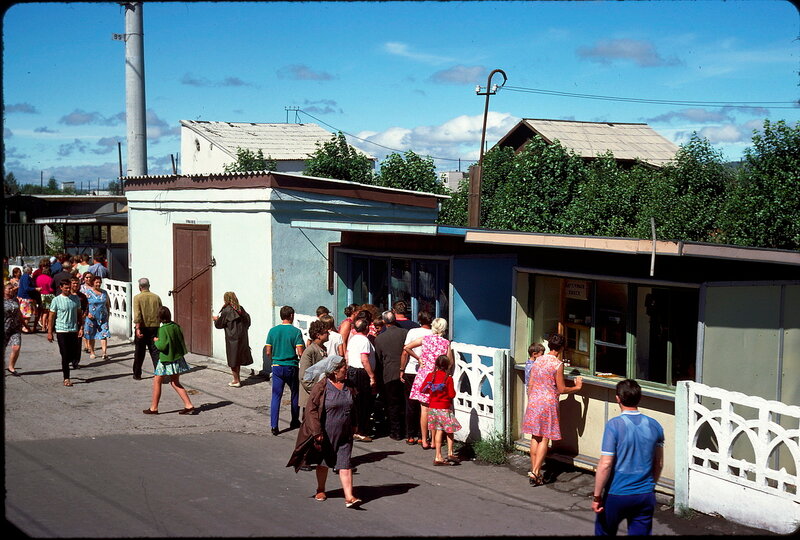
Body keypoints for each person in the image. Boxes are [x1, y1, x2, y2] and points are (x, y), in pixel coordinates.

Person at [592, 379, 664, 536]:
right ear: (639, 398)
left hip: (616, 494)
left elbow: (605, 464)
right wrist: (650, 485)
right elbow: (658, 463)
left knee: (604, 531)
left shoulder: (614, 425)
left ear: (618, 398)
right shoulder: (655, 425)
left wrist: (597, 496)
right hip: (645, 495)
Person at [287, 356, 362, 508]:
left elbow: (353, 406)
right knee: (324, 463)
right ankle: (320, 489)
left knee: (345, 463)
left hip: (345, 433)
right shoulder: (322, 387)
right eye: (343, 369)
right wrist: (316, 432)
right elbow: (311, 410)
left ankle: (349, 497)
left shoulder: (349, 386)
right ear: (334, 371)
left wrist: (355, 423)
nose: (345, 371)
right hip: (326, 433)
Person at [522, 334, 583, 486]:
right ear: (561, 348)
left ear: (549, 346)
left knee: (535, 436)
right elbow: (561, 389)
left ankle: (534, 469)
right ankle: (536, 472)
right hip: (548, 402)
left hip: (534, 400)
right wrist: (576, 387)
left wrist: (532, 399)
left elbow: (531, 383)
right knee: (545, 438)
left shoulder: (538, 360)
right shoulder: (557, 364)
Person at [404, 317, 452, 450]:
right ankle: (433, 441)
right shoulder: (445, 343)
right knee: (434, 408)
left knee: (424, 410)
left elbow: (407, 347)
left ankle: (424, 440)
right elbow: (450, 362)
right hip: (437, 377)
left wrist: (419, 358)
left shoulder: (425, 339)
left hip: (424, 376)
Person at [143, 306, 198, 415]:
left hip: (166, 359)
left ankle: (154, 408)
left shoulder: (163, 329)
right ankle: (188, 404)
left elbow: (162, 346)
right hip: (176, 358)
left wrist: (156, 341)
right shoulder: (175, 326)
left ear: (159, 317)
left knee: (157, 381)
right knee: (175, 382)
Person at [265, 305, 305, 436]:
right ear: (292, 316)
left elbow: (268, 351)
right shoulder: (296, 332)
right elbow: (300, 352)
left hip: (277, 366)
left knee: (276, 396)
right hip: (291, 366)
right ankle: (294, 420)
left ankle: (274, 426)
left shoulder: (272, 331)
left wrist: (275, 358)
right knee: (294, 393)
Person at [374, 310, 408, 441]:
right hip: (404, 371)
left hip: (389, 374)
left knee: (392, 404)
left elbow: (378, 359)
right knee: (405, 402)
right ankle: (407, 431)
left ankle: (396, 431)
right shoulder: (404, 333)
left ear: (384, 322)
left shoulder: (380, 338)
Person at [421, 354, 462, 466]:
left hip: (433, 407)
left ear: (436, 365)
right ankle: (450, 452)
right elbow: (452, 394)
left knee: (439, 430)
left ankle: (438, 455)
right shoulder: (448, 378)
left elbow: (422, 389)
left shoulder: (431, 376)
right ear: (447, 365)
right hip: (444, 408)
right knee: (450, 430)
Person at [400, 311, 433, 445]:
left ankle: (410, 435)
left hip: (411, 370)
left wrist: (401, 369)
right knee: (424, 405)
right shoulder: (433, 334)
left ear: (419, 320)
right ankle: (422, 435)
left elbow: (405, 351)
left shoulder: (412, 332)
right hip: (427, 372)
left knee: (410, 404)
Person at [47, 278, 84, 386]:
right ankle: (66, 378)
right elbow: (51, 317)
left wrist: (81, 327)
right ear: (61, 288)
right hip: (61, 330)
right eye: (66, 288)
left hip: (73, 329)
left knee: (73, 354)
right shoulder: (56, 300)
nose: (68, 289)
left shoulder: (75, 298)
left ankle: (70, 362)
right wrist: (49, 332)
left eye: (69, 287)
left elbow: (79, 314)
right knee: (65, 354)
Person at [345, 318, 377, 442]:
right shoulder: (364, 340)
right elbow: (364, 359)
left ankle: (355, 429)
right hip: (361, 373)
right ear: (366, 328)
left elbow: (347, 355)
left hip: (352, 370)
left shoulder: (353, 339)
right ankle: (361, 431)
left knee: (356, 403)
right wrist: (371, 376)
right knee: (363, 403)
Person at [213, 291, 254, 388]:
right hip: (242, 336)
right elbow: (248, 321)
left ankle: (236, 380)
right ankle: (237, 379)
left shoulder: (227, 310)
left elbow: (219, 325)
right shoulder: (240, 309)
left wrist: (215, 320)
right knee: (237, 358)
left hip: (232, 338)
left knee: (232, 359)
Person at [132, 278, 162, 380]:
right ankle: (159, 373)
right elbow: (161, 311)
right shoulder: (156, 297)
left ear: (140, 287)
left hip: (143, 327)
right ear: (149, 286)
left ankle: (137, 374)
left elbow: (137, 314)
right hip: (154, 327)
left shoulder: (137, 298)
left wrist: (137, 328)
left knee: (139, 352)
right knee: (155, 351)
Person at [298, 320, 328, 418]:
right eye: (326, 332)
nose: (328, 334)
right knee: (310, 426)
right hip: (311, 397)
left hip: (319, 395)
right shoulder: (310, 351)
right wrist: (316, 391)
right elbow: (304, 377)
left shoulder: (323, 349)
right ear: (318, 335)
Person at [84, 275, 111, 360]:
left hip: (103, 317)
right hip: (92, 317)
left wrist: (108, 315)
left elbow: (107, 304)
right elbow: (84, 305)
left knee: (104, 334)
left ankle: (104, 352)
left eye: (99, 282)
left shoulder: (104, 293)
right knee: (92, 335)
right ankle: (92, 352)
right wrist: (87, 313)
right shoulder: (88, 293)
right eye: (96, 282)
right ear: (92, 283)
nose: (98, 284)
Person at [4, 283, 23, 375]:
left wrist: (26, 326)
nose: (11, 290)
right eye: (9, 289)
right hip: (5, 327)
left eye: (12, 288)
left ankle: (11, 367)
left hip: (15, 328)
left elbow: (19, 313)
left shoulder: (15, 299)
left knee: (16, 347)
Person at [16, 265, 37, 333]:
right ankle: (24, 327)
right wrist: (36, 288)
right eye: (31, 269)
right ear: (28, 270)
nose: (32, 271)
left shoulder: (24, 277)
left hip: (23, 297)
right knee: (27, 314)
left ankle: (24, 327)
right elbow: (26, 288)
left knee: (25, 314)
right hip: (26, 298)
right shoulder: (26, 277)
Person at [35, 265, 54, 334]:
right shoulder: (50, 278)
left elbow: (37, 285)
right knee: (48, 312)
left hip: (40, 295)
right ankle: (47, 326)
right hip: (48, 295)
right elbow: (51, 288)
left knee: (43, 312)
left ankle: (43, 326)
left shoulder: (38, 278)